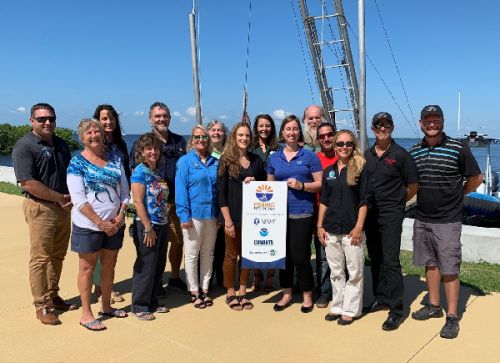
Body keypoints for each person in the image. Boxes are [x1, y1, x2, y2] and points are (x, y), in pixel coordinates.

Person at [409, 105, 483, 339]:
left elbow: (476, 178)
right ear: (421, 123)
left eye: (436, 120)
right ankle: (433, 306)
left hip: (448, 220)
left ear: (442, 122)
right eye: (428, 120)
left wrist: (459, 195)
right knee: (430, 264)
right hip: (422, 217)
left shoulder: (457, 148)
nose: (432, 124)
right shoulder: (414, 151)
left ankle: (452, 316)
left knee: (449, 268)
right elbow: (412, 183)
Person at [12, 103, 77, 325]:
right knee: (40, 259)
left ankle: (53, 295)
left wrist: (70, 198)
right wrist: (59, 197)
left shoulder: (60, 144)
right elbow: (28, 183)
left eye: (51, 118)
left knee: (58, 255)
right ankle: (41, 305)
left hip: (63, 208)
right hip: (40, 208)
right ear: (32, 121)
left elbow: (69, 173)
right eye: (41, 119)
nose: (47, 122)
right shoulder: (25, 146)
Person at [67, 119, 129, 331]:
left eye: (97, 132)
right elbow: (79, 200)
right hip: (88, 226)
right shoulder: (77, 163)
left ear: (103, 135)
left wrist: (120, 216)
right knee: (87, 268)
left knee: (109, 266)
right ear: (82, 138)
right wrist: (101, 223)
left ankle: (106, 306)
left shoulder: (115, 159)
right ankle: (86, 313)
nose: (94, 135)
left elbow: (124, 192)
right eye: (89, 133)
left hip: (114, 225)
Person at [364, 112, 419, 330]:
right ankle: (381, 297)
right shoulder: (367, 155)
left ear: (392, 127)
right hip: (370, 215)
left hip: (391, 215)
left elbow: (413, 186)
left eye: (386, 124)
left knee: (391, 261)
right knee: (375, 258)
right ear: (372, 128)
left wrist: (397, 203)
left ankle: (396, 309)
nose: (382, 128)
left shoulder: (401, 155)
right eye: (378, 124)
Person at [130, 102, 188, 294]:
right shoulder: (142, 143)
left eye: (165, 116)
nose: (161, 119)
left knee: (176, 241)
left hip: (175, 200)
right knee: (150, 246)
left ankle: (174, 277)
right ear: (150, 119)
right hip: (150, 203)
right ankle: (152, 284)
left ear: (170, 118)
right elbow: (135, 171)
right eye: (157, 116)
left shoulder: (180, 142)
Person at [267, 115, 323, 313]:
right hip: (278, 216)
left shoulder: (309, 156)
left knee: (300, 257)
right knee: (284, 257)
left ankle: (307, 294)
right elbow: (269, 186)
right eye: (287, 129)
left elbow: (320, 185)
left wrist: (302, 185)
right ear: (282, 132)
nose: (291, 132)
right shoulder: (274, 157)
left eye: (294, 129)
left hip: (302, 213)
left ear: (299, 132)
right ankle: (287, 293)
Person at [317, 129, 368, 325]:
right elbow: (324, 200)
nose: (344, 147)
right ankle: (337, 305)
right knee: (336, 271)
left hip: (351, 229)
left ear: (353, 146)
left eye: (348, 144)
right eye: (340, 144)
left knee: (354, 272)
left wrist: (358, 227)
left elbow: (364, 201)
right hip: (330, 228)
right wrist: (320, 225)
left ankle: (351, 309)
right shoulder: (328, 171)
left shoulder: (361, 168)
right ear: (335, 146)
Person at [218, 122, 266, 311]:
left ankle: (243, 291)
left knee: (247, 256)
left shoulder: (256, 160)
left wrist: (256, 182)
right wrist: (227, 220)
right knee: (231, 255)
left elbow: (265, 186)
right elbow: (221, 192)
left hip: (252, 217)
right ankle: (230, 292)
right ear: (234, 138)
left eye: (247, 135)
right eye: (240, 135)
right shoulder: (226, 160)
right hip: (232, 216)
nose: (244, 138)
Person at [176, 125, 219, 308]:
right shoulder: (184, 161)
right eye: (197, 137)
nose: (201, 140)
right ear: (191, 140)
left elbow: (219, 189)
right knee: (192, 254)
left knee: (208, 253)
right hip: (193, 215)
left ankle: (205, 288)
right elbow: (181, 190)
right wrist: (183, 215)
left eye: (204, 137)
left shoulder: (215, 161)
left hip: (212, 215)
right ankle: (194, 291)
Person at [92, 104, 130, 304]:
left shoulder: (121, 145)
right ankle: (99, 288)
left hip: (118, 204)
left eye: (112, 118)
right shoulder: (94, 143)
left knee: (111, 251)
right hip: (99, 203)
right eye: (104, 118)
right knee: (97, 250)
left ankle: (106, 285)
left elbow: (126, 174)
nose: (108, 122)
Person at [130, 133, 170, 320]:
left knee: (159, 264)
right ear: (142, 151)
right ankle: (139, 305)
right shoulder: (140, 171)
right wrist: (148, 227)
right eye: (148, 149)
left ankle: (152, 300)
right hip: (148, 225)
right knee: (146, 265)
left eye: (155, 148)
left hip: (162, 223)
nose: (153, 152)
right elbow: (138, 202)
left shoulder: (156, 172)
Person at [249, 114, 282, 291]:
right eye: (261, 125)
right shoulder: (249, 146)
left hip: (273, 197)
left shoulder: (278, 147)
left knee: (273, 237)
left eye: (267, 126)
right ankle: (257, 275)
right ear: (256, 127)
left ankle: (270, 275)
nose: (264, 129)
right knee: (255, 238)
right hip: (253, 199)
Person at [314, 122, 338, 308]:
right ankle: (324, 291)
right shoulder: (314, 159)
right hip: (320, 215)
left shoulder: (345, 156)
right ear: (317, 139)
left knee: (343, 258)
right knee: (323, 258)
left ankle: (342, 292)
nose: (326, 139)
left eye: (329, 134)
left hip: (343, 216)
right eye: (322, 136)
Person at [206, 119, 228, 287]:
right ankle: (205, 281)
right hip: (206, 205)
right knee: (205, 247)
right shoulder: (202, 152)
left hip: (224, 205)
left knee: (221, 245)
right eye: (213, 130)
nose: (216, 133)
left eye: (219, 130)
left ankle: (221, 280)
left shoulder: (228, 153)